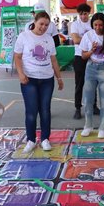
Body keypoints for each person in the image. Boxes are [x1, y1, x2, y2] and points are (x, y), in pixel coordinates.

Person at [14, 11, 64, 153]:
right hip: (29, 79)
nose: (43, 27)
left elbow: (53, 60)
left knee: (45, 110)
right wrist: (20, 74)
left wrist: (59, 78)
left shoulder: (49, 39)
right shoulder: (24, 36)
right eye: (41, 24)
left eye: (46, 25)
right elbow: (17, 57)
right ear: (34, 21)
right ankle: (30, 139)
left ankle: (45, 139)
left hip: (47, 80)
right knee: (31, 111)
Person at [70, 3, 99, 120]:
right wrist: (89, 39)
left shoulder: (93, 23)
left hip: (92, 56)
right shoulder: (75, 25)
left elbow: (98, 38)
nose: (83, 16)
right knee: (79, 84)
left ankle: (94, 106)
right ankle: (78, 108)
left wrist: (90, 40)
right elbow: (76, 40)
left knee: (93, 82)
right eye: (81, 14)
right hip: (79, 56)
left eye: (85, 14)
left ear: (89, 13)